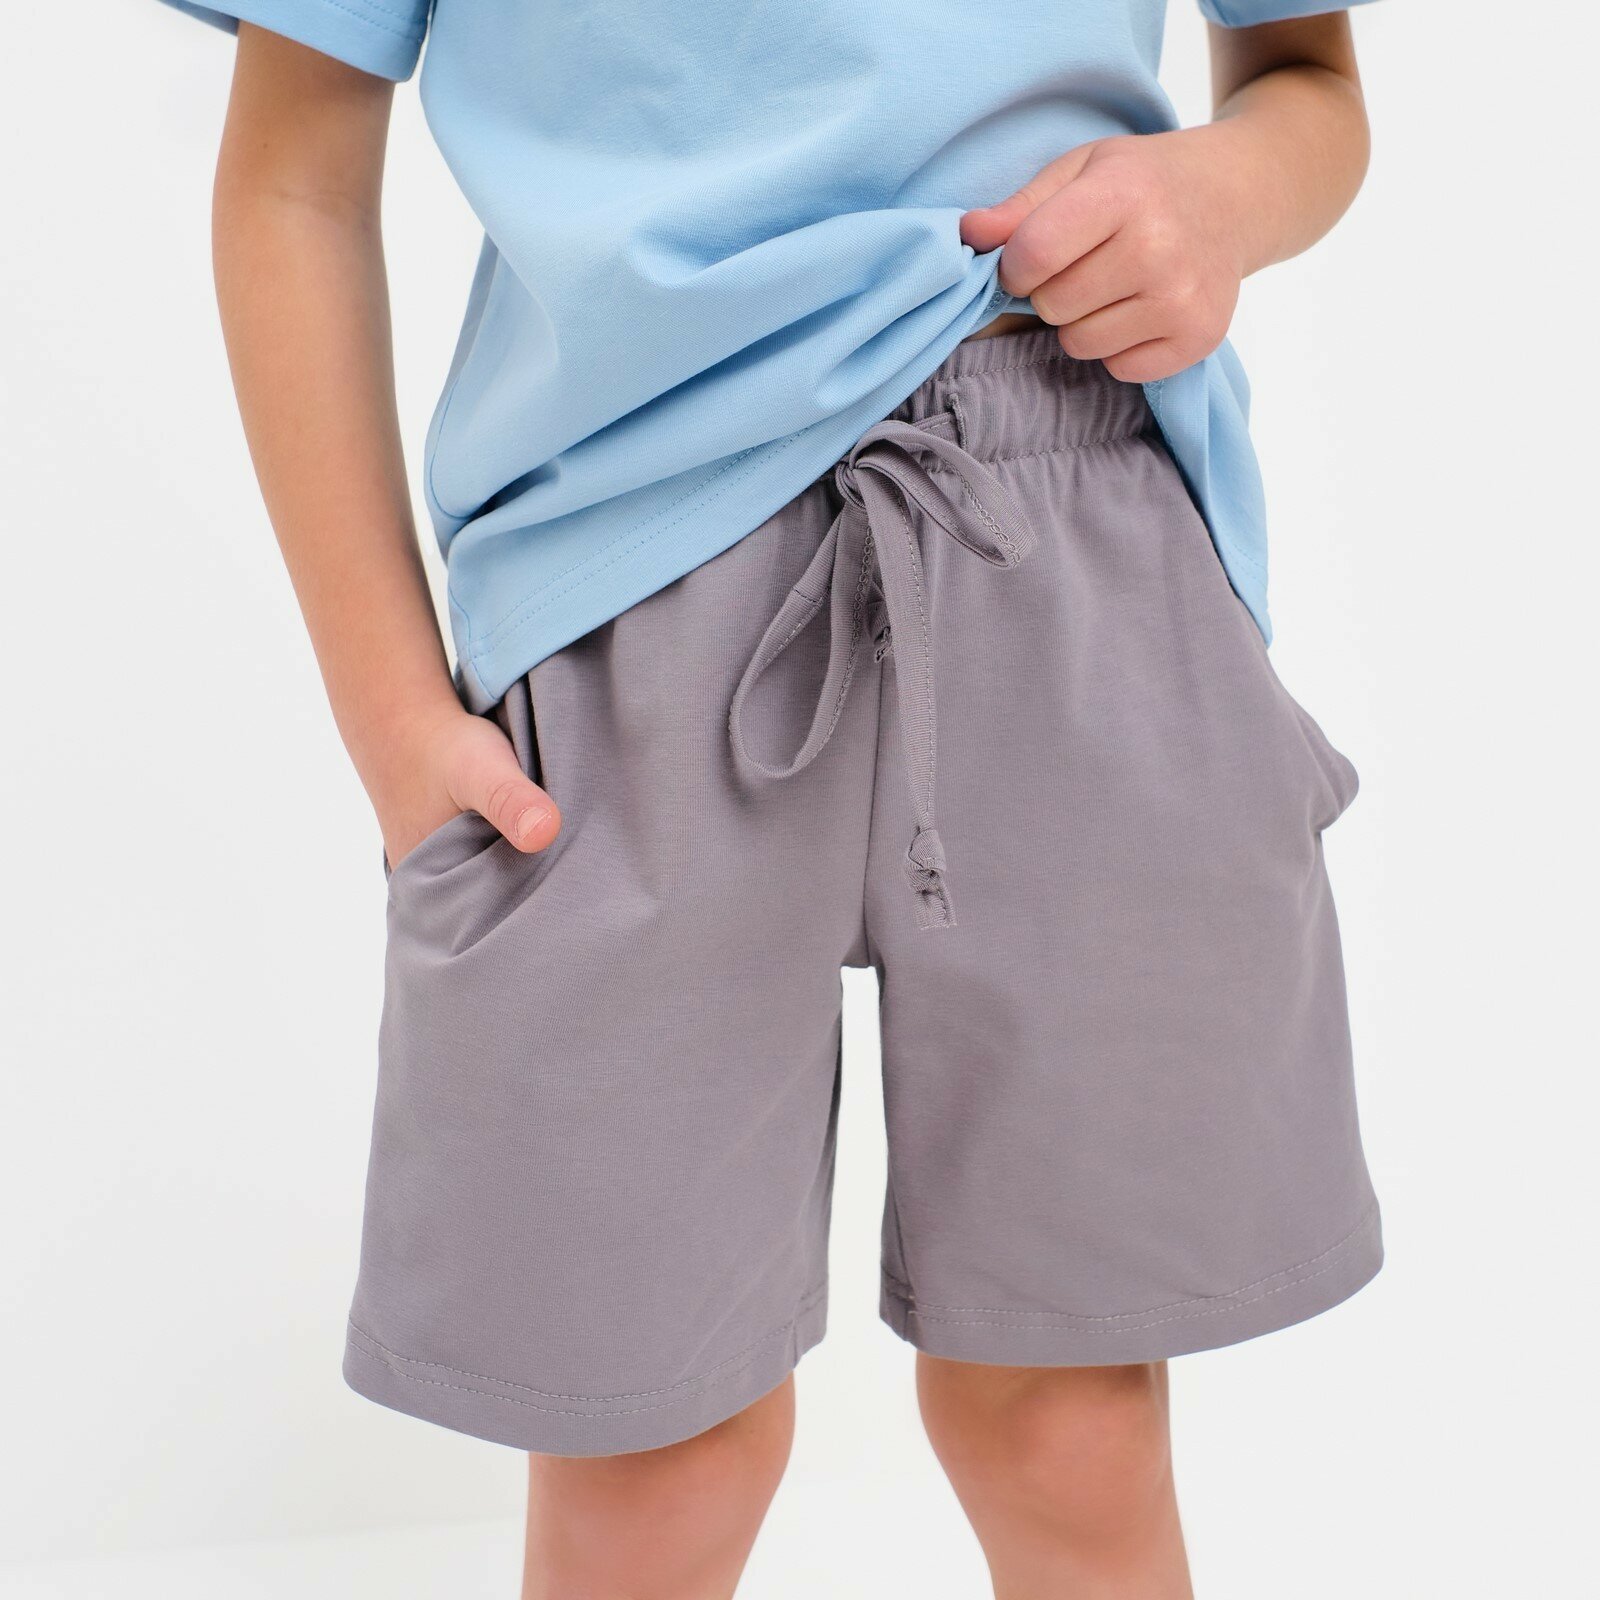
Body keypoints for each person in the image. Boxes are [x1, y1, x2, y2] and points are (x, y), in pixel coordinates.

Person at [158, 0, 1381, 1592]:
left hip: (1081, 522)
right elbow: (293, 176)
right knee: (647, 1466)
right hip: (622, 583)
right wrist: (390, 714)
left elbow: (1308, 81)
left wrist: (1224, 195)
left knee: (1073, 1432)